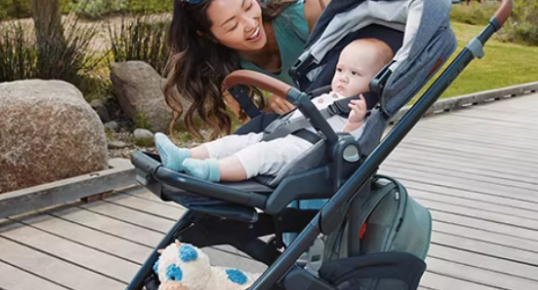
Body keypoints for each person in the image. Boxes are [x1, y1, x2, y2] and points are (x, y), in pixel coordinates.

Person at [162, 0, 483, 139]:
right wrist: (271, 105)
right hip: (304, 129)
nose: (249, 24)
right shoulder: (223, 69)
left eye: (248, 5)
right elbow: (255, 123)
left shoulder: (299, 10)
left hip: (346, 111)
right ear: (209, 36)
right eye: (231, 25)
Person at [154, 37, 394, 182]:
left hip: (304, 152)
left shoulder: (361, 111)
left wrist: (354, 123)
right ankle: (184, 156)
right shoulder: (325, 94)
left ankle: (211, 171)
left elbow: (350, 146)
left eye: (355, 73)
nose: (343, 78)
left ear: (376, 82)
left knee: (261, 154)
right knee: (237, 142)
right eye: (340, 70)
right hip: (279, 134)